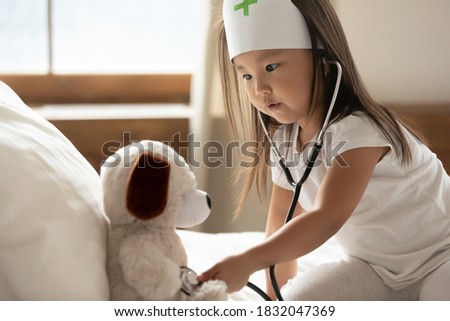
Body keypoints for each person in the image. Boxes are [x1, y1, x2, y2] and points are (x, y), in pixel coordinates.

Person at [197, 0, 450, 300]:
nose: (259, 89)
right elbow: (281, 222)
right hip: (375, 266)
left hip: (440, 258)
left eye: (271, 67)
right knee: (297, 303)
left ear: (323, 61)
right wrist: (275, 301)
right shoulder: (286, 144)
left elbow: (326, 217)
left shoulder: (361, 130)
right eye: (247, 75)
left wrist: (247, 261)